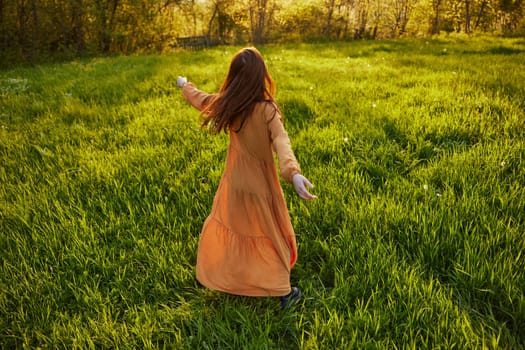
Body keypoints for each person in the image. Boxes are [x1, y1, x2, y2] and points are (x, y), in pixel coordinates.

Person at [177, 47, 317, 309]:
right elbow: (281, 141)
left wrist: (185, 85)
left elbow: (201, 99)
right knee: (270, 234)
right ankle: (284, 292)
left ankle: (232, 275)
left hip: (234, 183)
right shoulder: (267, 110)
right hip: (261, 187)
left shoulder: (229, 103)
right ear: (260, 76)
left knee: (238, 229)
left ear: (235, 77)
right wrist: (293, 173)